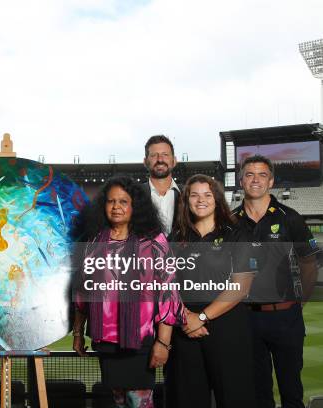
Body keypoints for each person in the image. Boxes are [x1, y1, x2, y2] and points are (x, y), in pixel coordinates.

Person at [72, 176, 184, 408]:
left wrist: (163, 343)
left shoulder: (154, 241)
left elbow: (168, 294)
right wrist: (77, 333)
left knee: (140, 402)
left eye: (123, 201)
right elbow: (84, 292)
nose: (116, 207)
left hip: (140, 342)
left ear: (135, 206)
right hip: (107, 341)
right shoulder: (94, 242)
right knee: (119, 401)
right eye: (111, 201)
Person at [233, 155, 319, 408]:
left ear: (271, 181)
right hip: (246, 318)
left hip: (285, 317)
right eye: (249, 174)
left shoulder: (290, 217)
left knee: (291, 390)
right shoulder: (231, 221)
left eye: (261, 175)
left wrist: (299, 301)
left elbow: (309, 263)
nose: (255, 180)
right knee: (258, 392)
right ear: (241, 181)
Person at [165, 174, 258, 408]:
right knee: (186, 400)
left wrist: (202, 317)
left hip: (228, 329)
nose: (201, 200)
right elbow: (165, 285)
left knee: (235, 398)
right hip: (185, 329)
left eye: (207, 195)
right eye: (194, 195)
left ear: (217, 199)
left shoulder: (237, 235)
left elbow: (241, 286)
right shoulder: (175, 237)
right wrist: (186, 316)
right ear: (186, 201)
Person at [142, 135, 180, 236]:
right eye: (154, 155)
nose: (160, 159)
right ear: (145, 162)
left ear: (174, 161)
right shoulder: (134, 195)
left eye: (165, 154)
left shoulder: (188, 194)